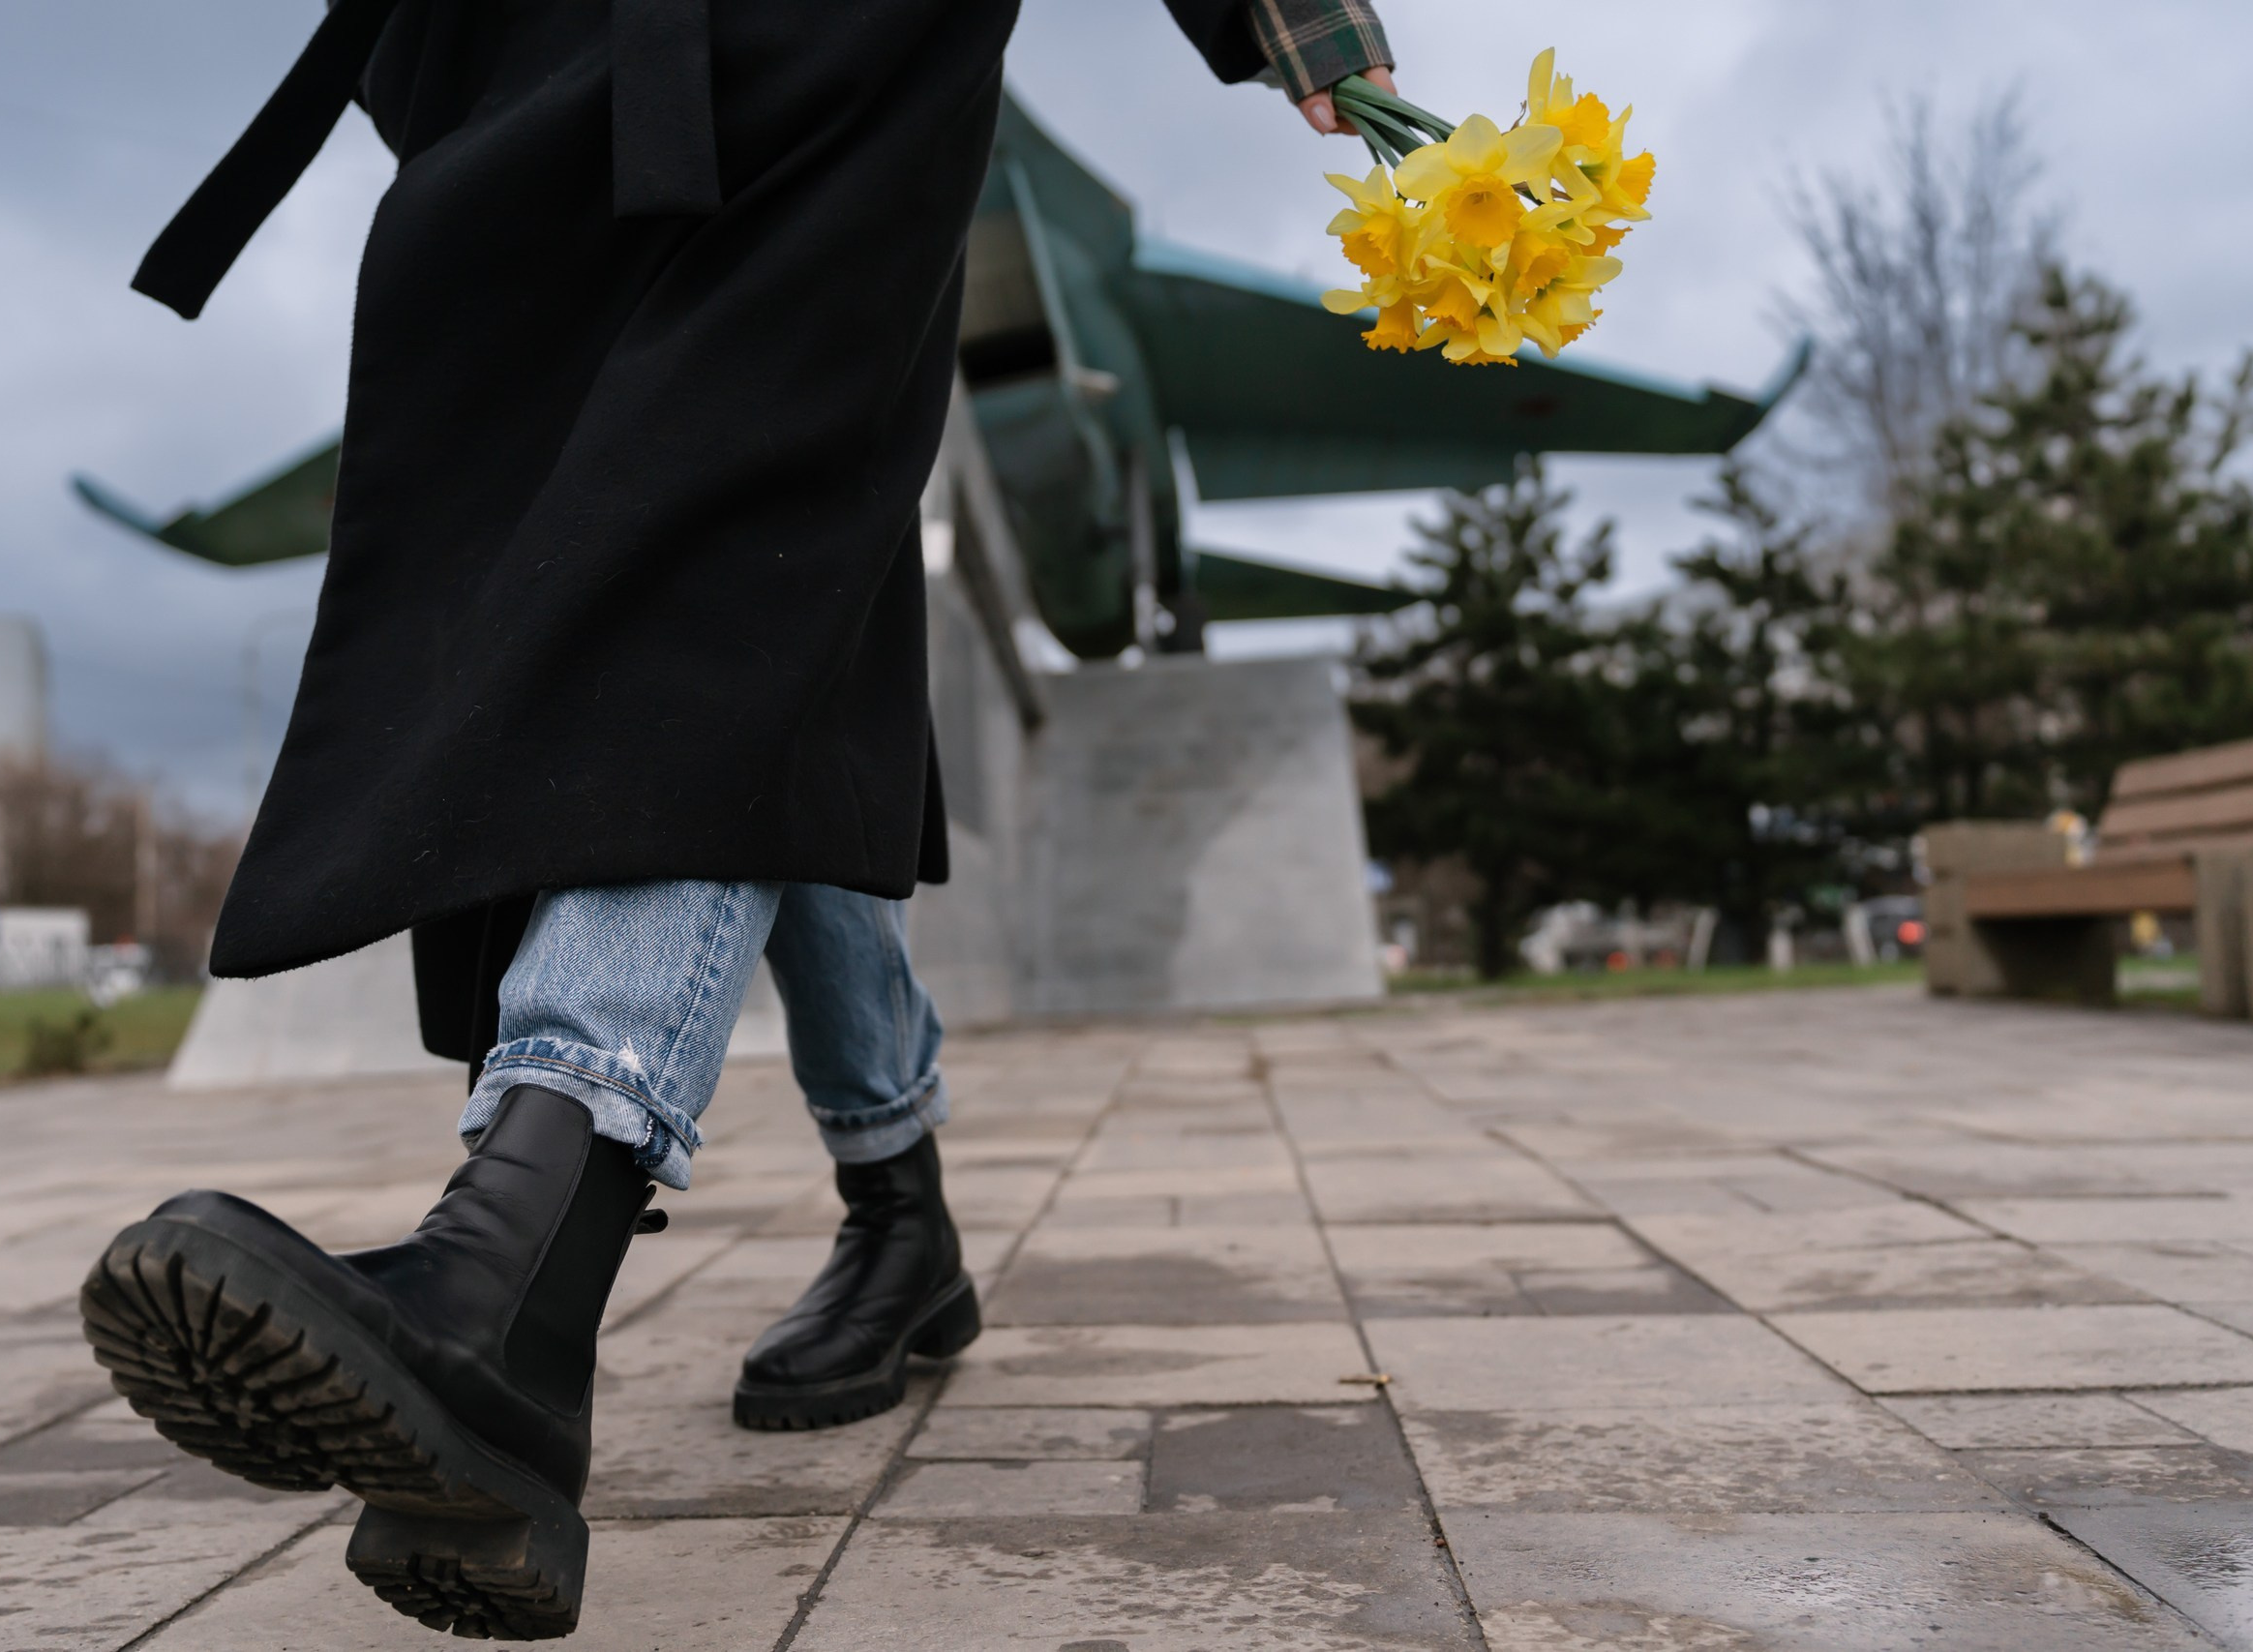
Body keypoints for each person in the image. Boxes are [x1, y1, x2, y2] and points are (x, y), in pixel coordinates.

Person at [77, 0, 1397, 1638]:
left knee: (715, 569)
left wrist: (1303, 25)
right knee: (707, 602)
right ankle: (898, 1206)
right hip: (528, 53)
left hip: (833, 42)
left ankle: (511, 1284)